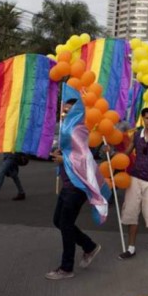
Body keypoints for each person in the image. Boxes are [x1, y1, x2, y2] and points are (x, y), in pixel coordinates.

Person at [45, 98, 102, 280]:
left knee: (66, 224)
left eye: (68, 111)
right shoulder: (67, 130)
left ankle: (66, 268)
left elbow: (85, 158)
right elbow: (70, 153)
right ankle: (89, 246)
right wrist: (58, 154)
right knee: (58, 221)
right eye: (64, 111)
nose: (65, 114)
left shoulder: (81, 131)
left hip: (77, 186)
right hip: (68, 184)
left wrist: (65, 160)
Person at [117, 106, 148, 260]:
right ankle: (131, 248)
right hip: (136, 177)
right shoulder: (137, 134)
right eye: (147, 118)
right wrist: (112, 154)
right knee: (131, 212)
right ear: (143, 119)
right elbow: (127, 152)